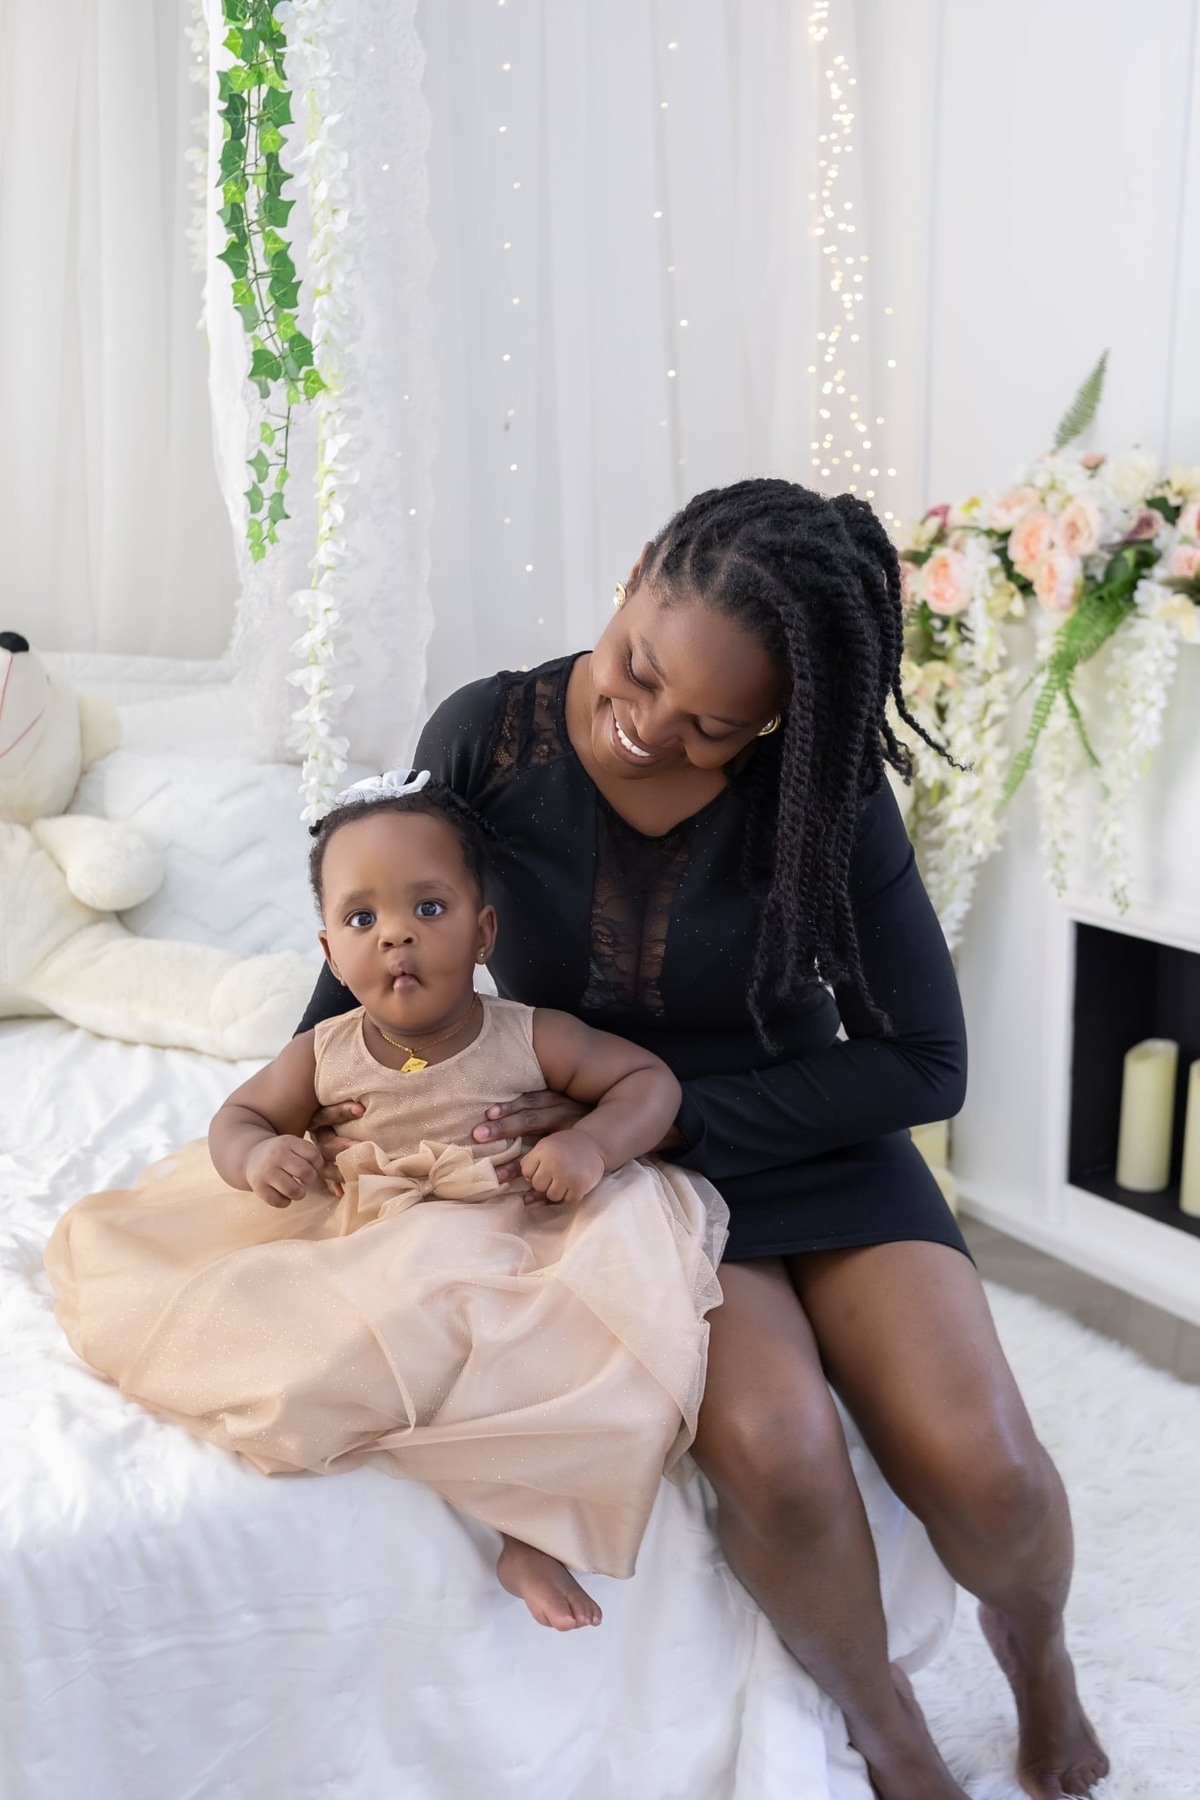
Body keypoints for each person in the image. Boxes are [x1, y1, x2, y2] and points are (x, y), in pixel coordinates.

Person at [301, 479, 1109, 1800]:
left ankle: (1041, 1655)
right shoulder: (492, 739)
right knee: (784, 1462)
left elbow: (927, 1061)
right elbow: (362, 968)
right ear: (630, 579)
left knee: (996, 1474)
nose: (648, 732)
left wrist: (663, 1108)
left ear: (781, 721)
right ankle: (889, 1733)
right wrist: (292, 1119)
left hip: (804, 1136)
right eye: (638, 673)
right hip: (627, 1177)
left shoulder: (825, 791)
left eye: (713, 730)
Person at [46, 778, 728, 1633]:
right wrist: (261, 1153)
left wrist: (593, 1144)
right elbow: (238, 1118)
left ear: (483, 933)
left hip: (519, 1229)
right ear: (332, 953)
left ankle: (533, 1530)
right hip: (372, 1232)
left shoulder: (529, 1035)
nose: (397, 933)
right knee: (297, 1345)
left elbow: (646, 1082)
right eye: (363, 920)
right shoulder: (322, 1053)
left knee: (598, 1362)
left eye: (429, 907)